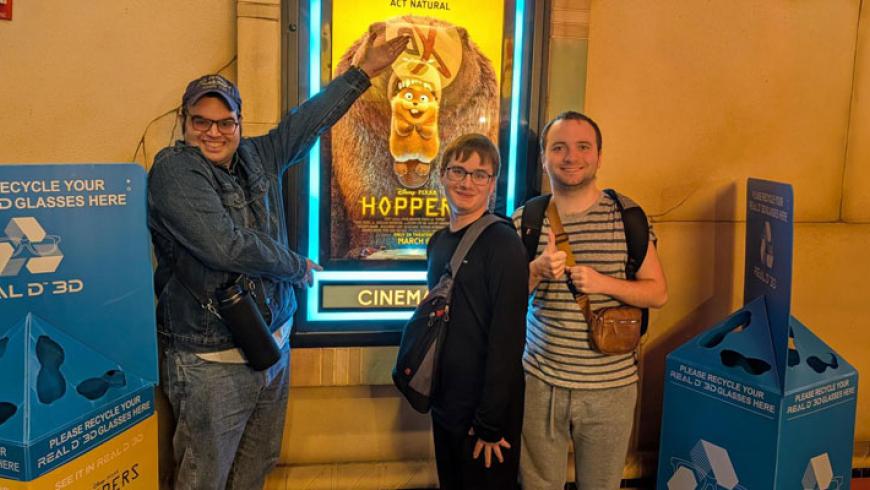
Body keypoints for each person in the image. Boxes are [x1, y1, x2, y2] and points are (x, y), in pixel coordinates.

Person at [147, 32, 409, 489]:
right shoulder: (175, 170)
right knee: (203, 479)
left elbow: (304, 124)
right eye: (200, 121)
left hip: (272, 351)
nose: (213, 132)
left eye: (225, 122)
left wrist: (363, 72)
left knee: (256, 468)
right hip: (212, 363)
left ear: (239, 124)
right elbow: (226, 246)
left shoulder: (255, 155)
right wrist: (296, 266)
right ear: (184, 123)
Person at [512, 111, 668, 490]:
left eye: (584, 147)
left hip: (611, 389)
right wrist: (535, 271)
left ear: (599, 155)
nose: (571, 157)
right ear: (544, 158)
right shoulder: (527, 220)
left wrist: (602, 282)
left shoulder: (627, 216)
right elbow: (505, 305)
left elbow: (657, 293)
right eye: (559, 148)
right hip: (540, 383)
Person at [425, 134, 528, 490]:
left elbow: (508, 339)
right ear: (442, 175)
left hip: (484, 416)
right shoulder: (438, 242)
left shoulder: (503, 243)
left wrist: (489, 423)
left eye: (479, 175)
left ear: (492, 184)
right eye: (458, 171)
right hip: (446, 404)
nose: (467, 183)